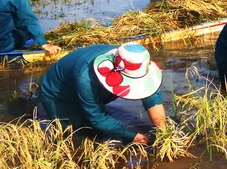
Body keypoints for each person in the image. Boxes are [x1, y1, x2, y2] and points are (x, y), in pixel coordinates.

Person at [38, 43, 166, 144]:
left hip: (88, 83)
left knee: (98, 123)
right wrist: (132, 136)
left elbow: (151, 94)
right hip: (59, 93)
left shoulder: (134, 61)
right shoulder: (86, 78)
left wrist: (163, 130)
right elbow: (97, 118)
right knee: (77, 132)